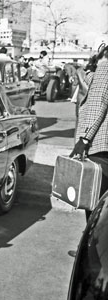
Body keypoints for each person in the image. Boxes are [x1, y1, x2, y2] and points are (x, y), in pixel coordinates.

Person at [69, 45, 108, 220]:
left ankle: (92, 246)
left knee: (96, 206)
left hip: (100, 146)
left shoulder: (105, 67)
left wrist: (85, 139)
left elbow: (97, 105)